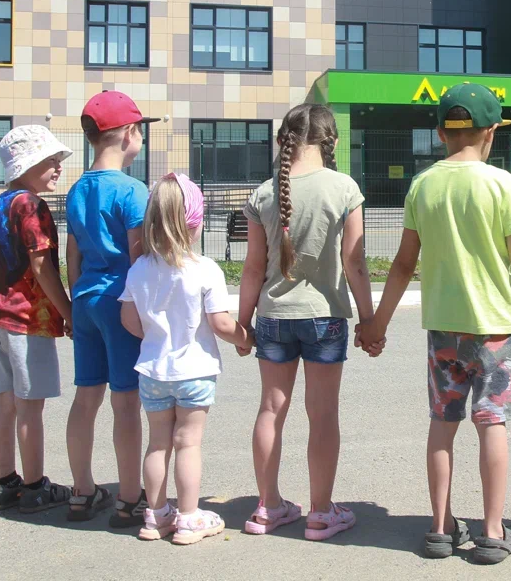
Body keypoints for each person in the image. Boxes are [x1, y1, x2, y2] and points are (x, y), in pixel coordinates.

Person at [359, 83, 511, 565]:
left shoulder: (423, 185)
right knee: (492, 422)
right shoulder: (502, 184)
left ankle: (440, 528)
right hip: (495, 328)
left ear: (440, 133)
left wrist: (377, 324)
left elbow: (403, 264)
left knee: (443, 423)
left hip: (443, 329)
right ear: (492, 132)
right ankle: (492, 532)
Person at [235, 103, 376, 540]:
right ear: (332, 140)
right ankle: (320, 512)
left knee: (270, 409)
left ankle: (267, 507)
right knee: (323, 413)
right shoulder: (344, 187)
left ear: (284, 139)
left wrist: (243, 324)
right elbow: (355, 263)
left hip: (273, 317)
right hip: (324, 318)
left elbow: (252, 268)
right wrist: (369, 319)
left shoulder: (263, 193)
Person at [120, 173, 247, 545]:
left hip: (153, 371)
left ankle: (156, 516)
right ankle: (189, 517)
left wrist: (156, 337)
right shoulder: (205, 269)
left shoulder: (139, 269)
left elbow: (129, 320)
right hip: (195, 371)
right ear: (195, 223)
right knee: (188, 443)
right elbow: (221, 323)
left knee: (158, 443)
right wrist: (246, 338)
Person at [65, 90, 159, 526]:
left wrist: (74, 302)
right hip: (121, 302)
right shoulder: (133, 191)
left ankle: (82, 491)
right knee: (125, 403)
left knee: (86, 397)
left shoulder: (77, 189)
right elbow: (140, 258)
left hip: (85, 298)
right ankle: (129, 497)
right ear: (129, 134)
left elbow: (72, 255)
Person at [0, 125, 75, 513]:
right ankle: (36, 487)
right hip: (27, 319)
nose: (58, 168)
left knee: (5, 401)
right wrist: (68, 312)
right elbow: (41, 266)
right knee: (30, 405)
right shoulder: (31, 206)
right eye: (51, 161)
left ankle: (6, 483)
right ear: (28, 164)